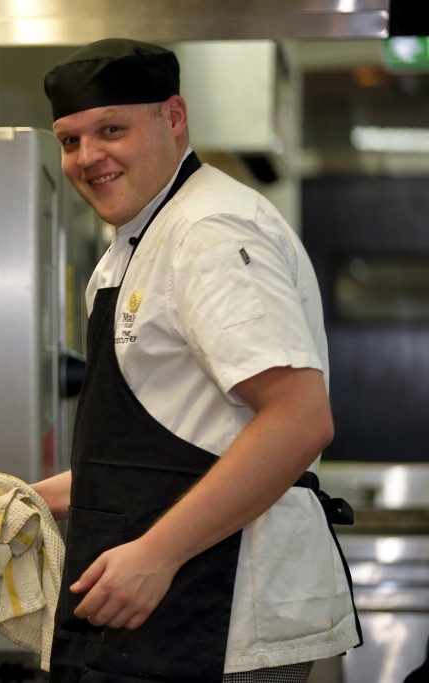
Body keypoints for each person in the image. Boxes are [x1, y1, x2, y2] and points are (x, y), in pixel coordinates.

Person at [30, 38, 362, 682]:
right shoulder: (133, 245)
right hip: (164, 620)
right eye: (70, 141)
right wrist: (29, 498)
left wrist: (156, 553)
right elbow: (172, 450)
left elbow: (298, 420)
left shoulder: (209, 230)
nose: (88, 157)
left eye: (112, 130)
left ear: (174, 117)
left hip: (223, 616)